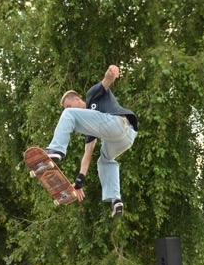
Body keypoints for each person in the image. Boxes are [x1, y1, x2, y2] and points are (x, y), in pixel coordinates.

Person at [45, 65, 138, 218]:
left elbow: (106, 82)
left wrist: (111, 73)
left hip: (117, 122)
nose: (67, 109)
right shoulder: (91, 127)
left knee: (69, 115)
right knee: (105, 160)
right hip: (126, 138)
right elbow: (87, 155)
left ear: (77, 99)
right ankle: (116, 200)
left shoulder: (91, 95)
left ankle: (55, 150)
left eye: (68, 105)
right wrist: (79, 181)